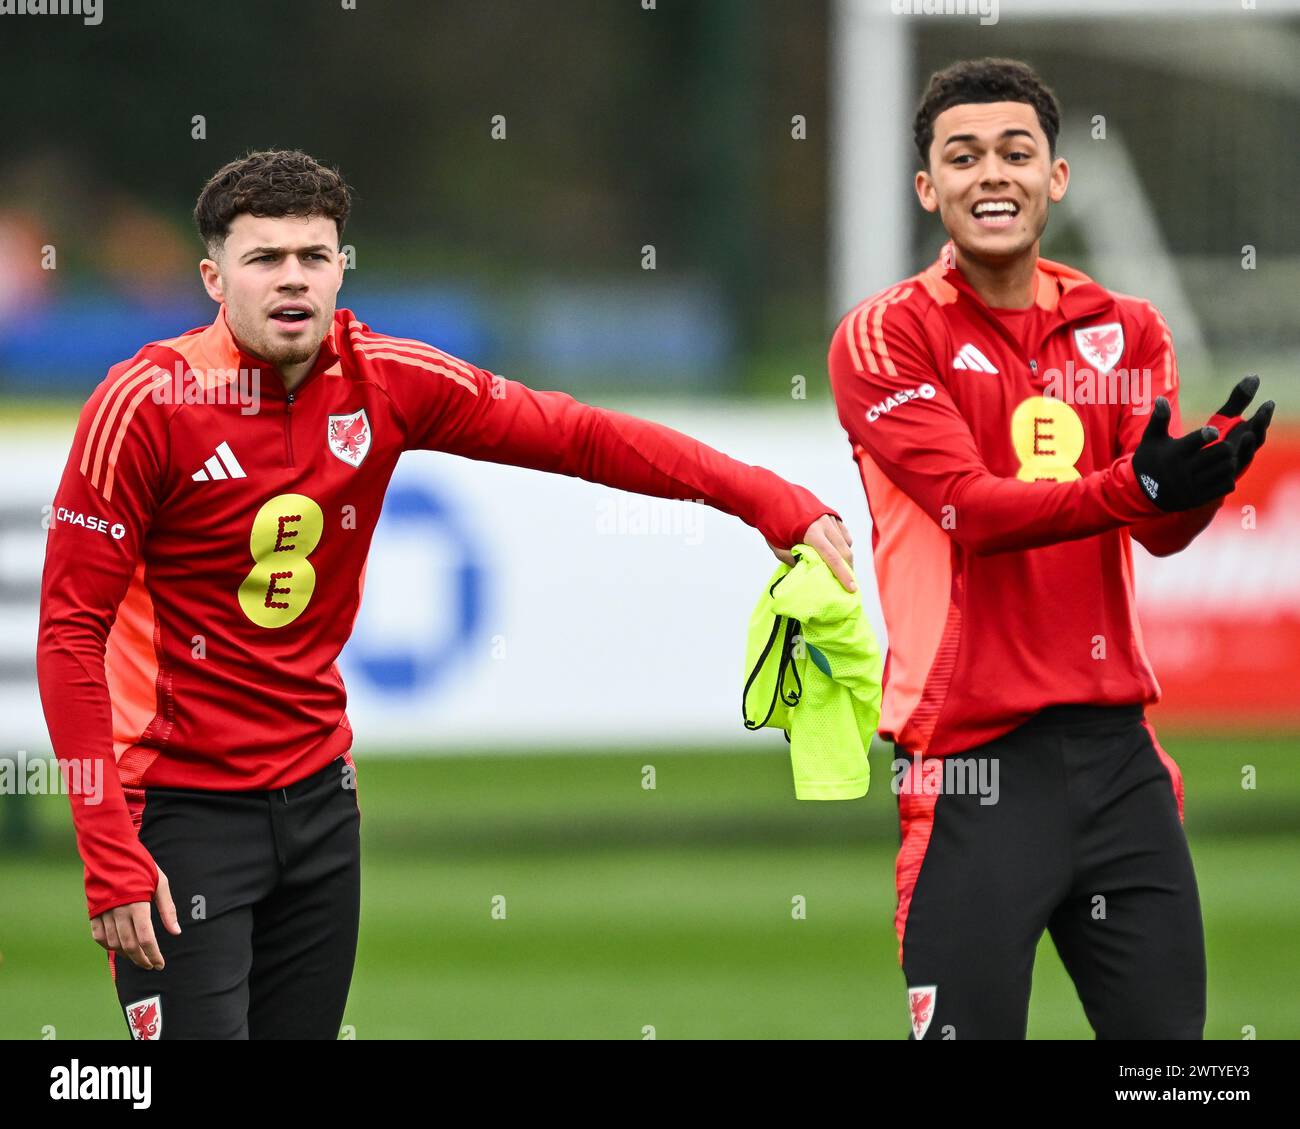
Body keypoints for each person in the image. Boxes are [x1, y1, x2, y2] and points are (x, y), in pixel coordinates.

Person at [36, 148, 855, 1039]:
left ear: (342, 267)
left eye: (314, 256)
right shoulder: (147, 402)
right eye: (264, 258)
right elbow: (70, 632)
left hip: (318, 804)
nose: (292, 279)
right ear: (212, 276)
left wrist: (769, 500)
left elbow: (576, 434)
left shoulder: (385, 376)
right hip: (178, 814)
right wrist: (108, 847)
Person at [827, 58, 1273, 1040]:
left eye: (1015, 152)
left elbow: (1153, 533)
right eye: (963, 156)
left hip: (1119, 762)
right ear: (926, 188)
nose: (992, 174)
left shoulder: (1125, 329)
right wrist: (1131, 486)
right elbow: (964, 509)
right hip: (968, 765)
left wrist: (1194, 489)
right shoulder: (883, 337)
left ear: (1054, 178)